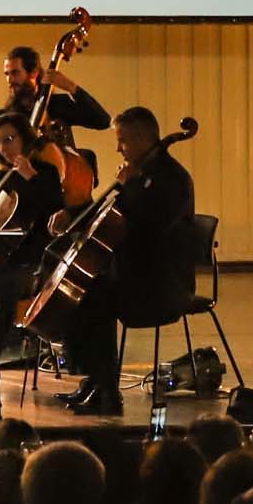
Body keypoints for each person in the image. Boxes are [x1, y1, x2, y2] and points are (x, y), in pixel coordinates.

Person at [51, 107, 195, 417]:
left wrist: (130, 186)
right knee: (82, 291)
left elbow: (150, 227)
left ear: (144, 138)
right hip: (134, 274)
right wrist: (74, 215)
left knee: (92, 297)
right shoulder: (141, 174)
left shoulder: (173, 178)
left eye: (123, 141)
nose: (118, 149)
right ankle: (95, 381)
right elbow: (114, 216)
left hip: (162, 283)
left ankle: (107, 392)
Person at [0, 113, 65, 390]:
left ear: (24, 138)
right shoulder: (0, 177)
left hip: (35, 261)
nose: (4, 147)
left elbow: (56, 212)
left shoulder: (46, 174)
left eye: (9, 139)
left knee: (4, 284)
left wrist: (31, 177)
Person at [0, 41, 109, 188]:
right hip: (20, 191)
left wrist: (71, 87)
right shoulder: (4, 118)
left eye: (15, 73)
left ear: (34, 72)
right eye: (6, 74)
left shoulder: (57, 105)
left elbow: (102, 121)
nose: (10, 80)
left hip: (60, 188)